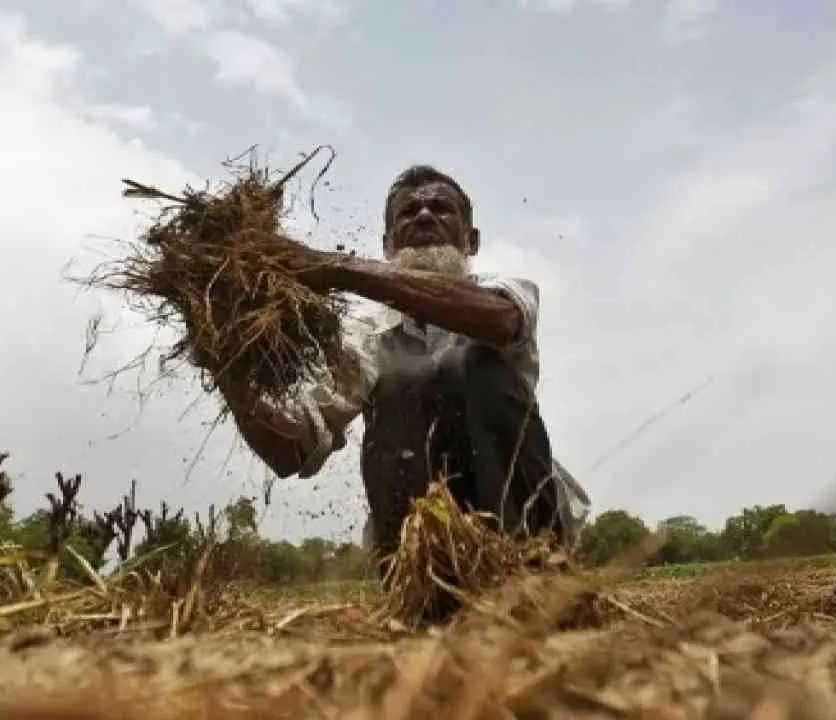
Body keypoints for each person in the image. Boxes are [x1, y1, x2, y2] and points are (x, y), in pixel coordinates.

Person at [219, 165, 590, 575]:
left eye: (441, 208)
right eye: (408, 212)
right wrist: (225, 367)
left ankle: (530, 567)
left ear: (472, 240)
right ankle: (423, 577)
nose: (425, 216)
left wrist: (336, 268)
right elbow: (292, 451)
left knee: (471, 365)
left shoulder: (505, 289)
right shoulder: (367, 335)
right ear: (387, 243)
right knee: (396, 386)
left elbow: (500, 321)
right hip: (421, 559)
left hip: (526, 536)